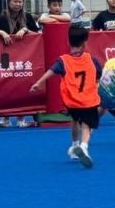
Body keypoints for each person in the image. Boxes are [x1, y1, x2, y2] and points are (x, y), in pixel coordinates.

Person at [30, 24, 102, 168]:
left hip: (72, 100)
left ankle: (74, 146)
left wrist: (38, 83)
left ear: (68, 42)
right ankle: (84, 146)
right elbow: (98, 73)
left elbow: (51, 71)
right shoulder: (91, 59)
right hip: (88, 99)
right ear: (84, 43)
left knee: (74, 121)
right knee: (86, 125)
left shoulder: (63, 60)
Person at [0, 0, 42, 128]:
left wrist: (25, 30)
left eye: (20, 2)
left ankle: (21, 117)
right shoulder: (1, 18)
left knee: (21, 85)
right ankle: (5, 118)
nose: (18, 4)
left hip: (24, 57)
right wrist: (1, 32)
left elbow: (37, 34)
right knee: (6, 85)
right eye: (15, 1)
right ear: (8, 3)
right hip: (5, 57)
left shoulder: (27, 17)